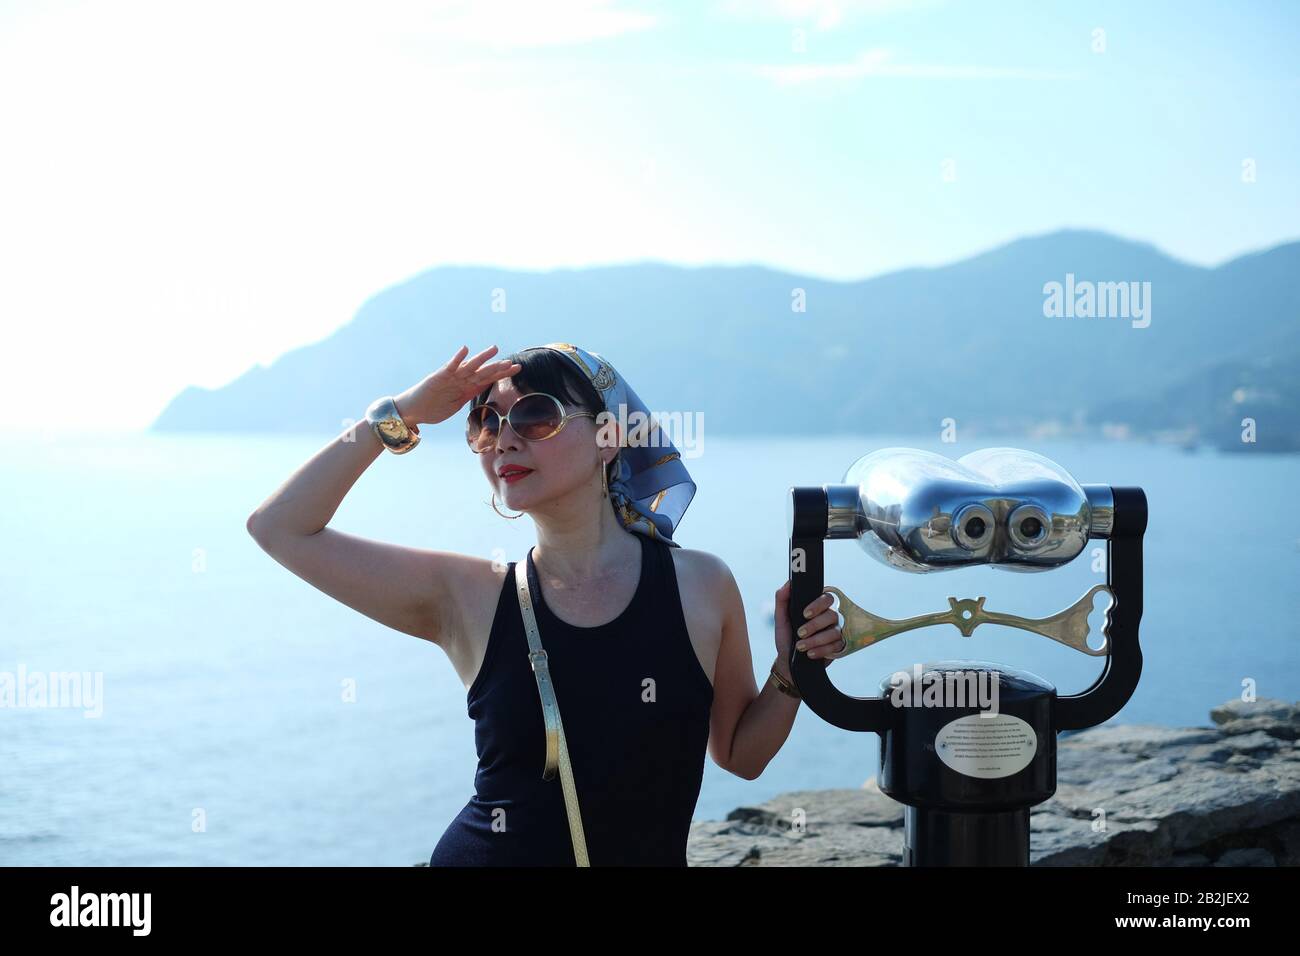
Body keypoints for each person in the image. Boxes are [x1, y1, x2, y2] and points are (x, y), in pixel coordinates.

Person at [246, 342, 845, 866]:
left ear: (609, 438)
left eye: (536, 415)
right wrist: (401, 414)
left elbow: (741, 755)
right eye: (486, 423)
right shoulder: (468, 596)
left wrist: (793, 668)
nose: (504, 439)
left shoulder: (702, 584)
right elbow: (279, 528)